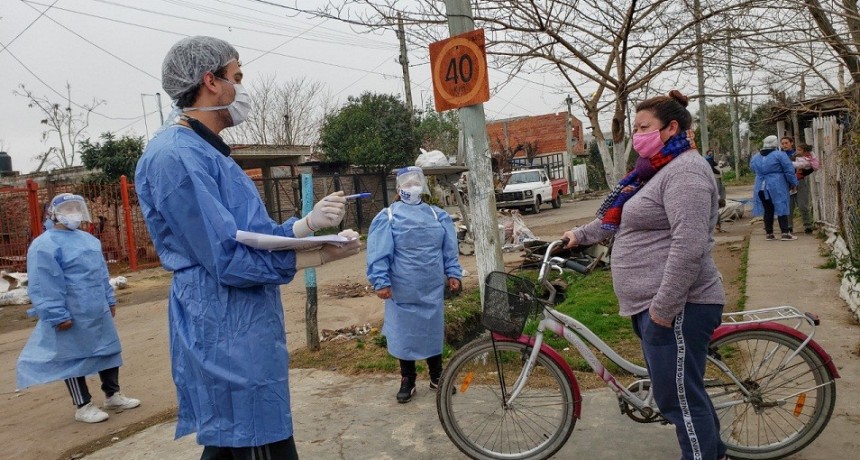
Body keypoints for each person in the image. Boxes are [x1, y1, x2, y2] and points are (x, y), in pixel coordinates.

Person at [135, 36, 361, 458]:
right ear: (211, 81)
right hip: (225, 326)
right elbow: (226, 258)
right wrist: (313, 255)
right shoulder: (176, 156)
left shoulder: (208, 152)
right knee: (253, 437)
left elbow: (250, 232)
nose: (243, 87)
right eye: (237, 76)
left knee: (237, 441)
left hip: (243, 325)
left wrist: (305, 227)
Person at [562, 90, 728, 460]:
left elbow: (689, 246)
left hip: (678, 306)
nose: (637, 135)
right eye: (635, 128)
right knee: (686, 396)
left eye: (643, 127)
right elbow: (618, 218)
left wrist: (663, 311)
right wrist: (579, 235)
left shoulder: (685, 173)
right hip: (654, 306)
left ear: (671, 128)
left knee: (679, 402)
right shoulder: (653, 170)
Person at [17, 193, 141, 424]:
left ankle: (112, 394)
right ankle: (83, 404)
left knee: (109, 350)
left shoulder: (89, 240)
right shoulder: (44, 245)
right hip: (70, 311)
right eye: (68, 208)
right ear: (53, 213)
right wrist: (56, 314)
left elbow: (101, 274)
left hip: (97, 308)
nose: (73, 212)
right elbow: (45, 283)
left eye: (77, 207)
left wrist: (109, 299)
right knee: (72, 357)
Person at [366, 166, 463, 403]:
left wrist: (453, 273)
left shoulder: (436, 215)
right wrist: (381, 281)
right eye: (407, 183)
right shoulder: (387, 217)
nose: (412, 187)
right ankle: (407, 379)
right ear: (398, 188)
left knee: (432, 329)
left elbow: (449, 249)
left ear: (423, 185)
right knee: (404, 333)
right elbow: (379, 252)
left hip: (431, 287)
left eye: (415, 182)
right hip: (402, 287)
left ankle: (436, 376)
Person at [751, 135, 799, 241]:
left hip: (760, 186)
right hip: (777, 185)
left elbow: (752, 169)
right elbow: (789, 170)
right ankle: (785, 233)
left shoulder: (756, 157)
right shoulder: (780, 155)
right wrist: (793, 182)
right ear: (775, 143)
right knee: (782, 206)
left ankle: (769, 233)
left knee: (768, 210)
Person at [792, 143, 820, 234]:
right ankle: (788, 227)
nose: (797, 151)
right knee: (789, 205)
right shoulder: (791, 156)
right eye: (782, 143)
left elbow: (806, 166)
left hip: (800, 180)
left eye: (799, 150)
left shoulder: (806, 157)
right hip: (788, 181)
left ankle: (807, 225)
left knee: (803, 205)